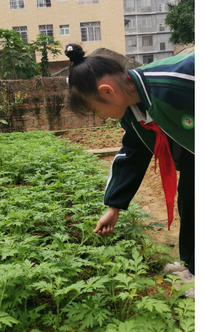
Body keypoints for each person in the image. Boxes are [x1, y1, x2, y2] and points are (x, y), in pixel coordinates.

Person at [65, 43, 195, 297]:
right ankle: (192, 264)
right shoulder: (134, 111)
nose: (100, 117)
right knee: (190, 201)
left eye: (95, 110)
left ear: (107, 91)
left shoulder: (177, 80)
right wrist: (114, 206)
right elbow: (132, 154)